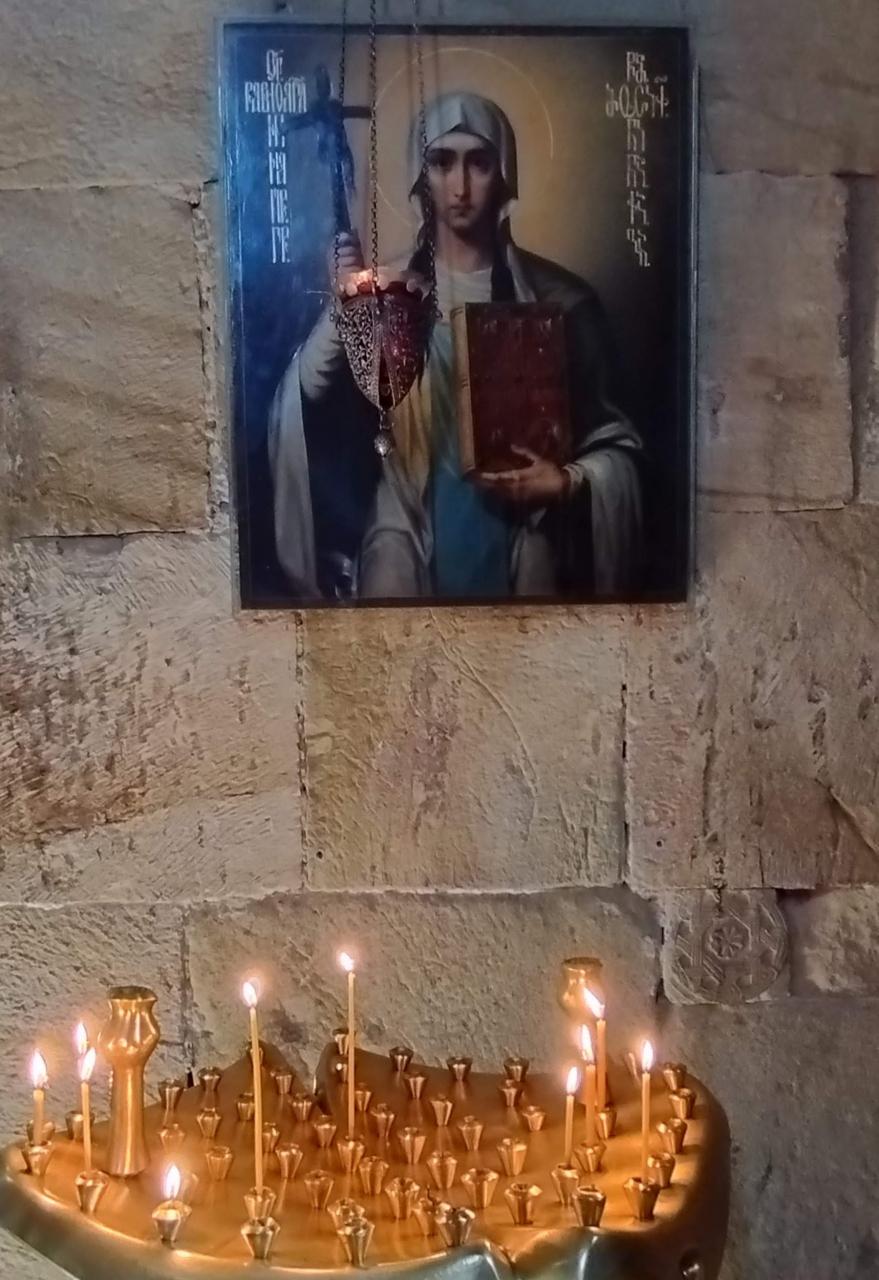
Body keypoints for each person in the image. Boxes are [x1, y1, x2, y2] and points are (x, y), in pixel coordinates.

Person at [269, 91, 643, 601]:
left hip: (522, 531)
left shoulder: (562, 302)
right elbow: (299, 403)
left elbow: (620, 451)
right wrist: (345, 305)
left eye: (479, 163)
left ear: (504, 174)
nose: (460, 187)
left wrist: (568, 482)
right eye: (442, 163)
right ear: (420, 176)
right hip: (403, 527)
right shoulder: (387, 292)